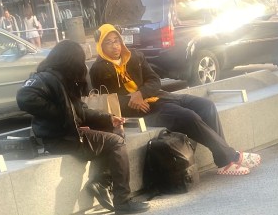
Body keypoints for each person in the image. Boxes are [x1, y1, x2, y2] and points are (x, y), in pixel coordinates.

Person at [89, 24, 261, 177]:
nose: (115, 46)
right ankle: (231, 158)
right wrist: (131, 100)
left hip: (161, 96)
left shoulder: (134, 56)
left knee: (206, 105)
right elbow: (106, 100)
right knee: (189, 117)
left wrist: (140, 93)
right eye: (108, 42)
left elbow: (154, 80)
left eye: (116, 41)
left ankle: (224, 161)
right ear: (100, 46)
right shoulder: (98, 69)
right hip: (145, 110)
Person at [17, 40, 149, 215]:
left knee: (116, 130)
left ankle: (101, 181)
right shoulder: (47, 78)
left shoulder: (62, 78)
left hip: (68, 133)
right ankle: (122, 201)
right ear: (70, 60)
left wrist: (109, 119)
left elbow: (80, 110)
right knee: (116, 142)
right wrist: (62, 114)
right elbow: (24, 98)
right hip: (61, 138)